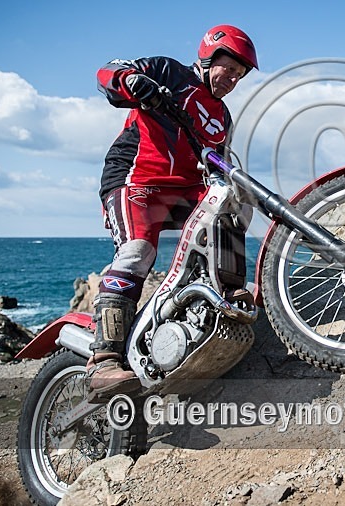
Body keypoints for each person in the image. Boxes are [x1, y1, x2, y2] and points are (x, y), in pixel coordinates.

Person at [87, 24, 258, 400]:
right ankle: (103, 360)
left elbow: (217, 163)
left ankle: (222, 299)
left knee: (231, 208)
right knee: (137, 251)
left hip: (185, 188)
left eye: (239, 75)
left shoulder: (222, 116)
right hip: (136, 180)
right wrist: (132, 82)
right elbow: (107, 73)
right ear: (209, 57)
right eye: (228, 69)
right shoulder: (168, 73)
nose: (232, 79)